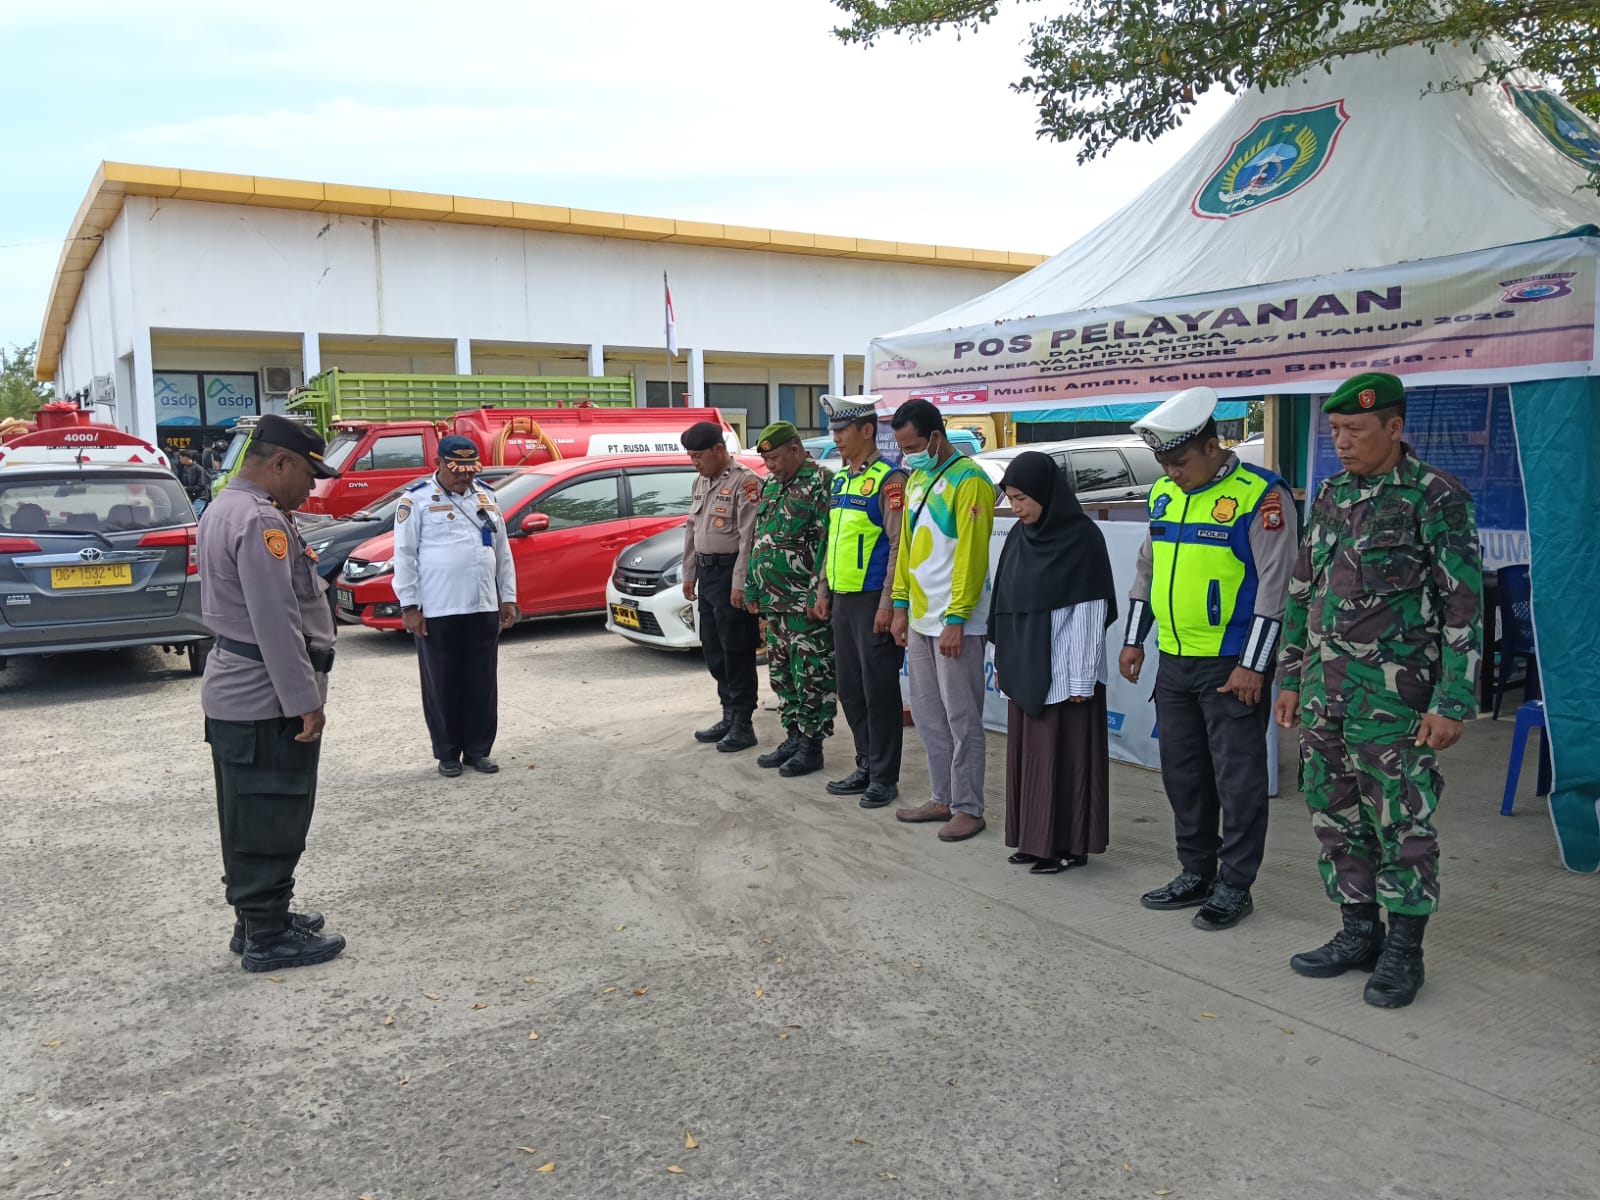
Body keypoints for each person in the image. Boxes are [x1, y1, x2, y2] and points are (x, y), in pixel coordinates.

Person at [1275, 372, 1481, 1009]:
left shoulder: (1434, 497)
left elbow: (1462, 606)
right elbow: (1302, 592)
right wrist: (1288, 675)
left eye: (1356, 431)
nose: (1342, 442)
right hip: (1323, 694)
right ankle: (1356, 933)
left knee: (1402, 824)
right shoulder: (1332, 494)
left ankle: (1403, 952)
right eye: (1335, 431)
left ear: (1394, 428)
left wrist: (1452, 701)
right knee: (1334, 816)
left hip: (1395, 700)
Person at [1118, 386, 1298, 930]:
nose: (1171, 472)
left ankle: (1235, 884)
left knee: (1238, 780)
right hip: (1174, 660)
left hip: (1231, 664)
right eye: (1163, 463)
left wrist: (1253, 665)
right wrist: (1133, 639)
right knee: (1183, 775)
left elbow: (1277, 586)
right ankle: (1194, 871)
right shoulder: (1164, 496)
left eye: (1179, 461)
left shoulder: (1260, 496)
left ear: (1212, 445)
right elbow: (1146, 571)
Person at [198, 413, 345, 973]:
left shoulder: (224, 506)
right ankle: (266, 934)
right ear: (279, 462)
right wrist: (304, 700)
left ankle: (259, 916)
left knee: (246, 810)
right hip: (265, 695)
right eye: (308, 474)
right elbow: (276, 619)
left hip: (240, 691)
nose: (312, 487)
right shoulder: (261, 523)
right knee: (271, 811)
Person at [991, 452, 1118, 873]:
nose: (1016, 508)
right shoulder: (1018, 538)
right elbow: (1003, 604)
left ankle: (1066, 846)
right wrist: (1003, 660)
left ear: (1047, 493)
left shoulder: (1082, 539)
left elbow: (1089, 611)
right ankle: (1033, 839)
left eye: (1023, 498)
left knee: (1064, 759)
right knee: (1030, 759)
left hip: (1066, 675)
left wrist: (1082, 679)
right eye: (1010, 499)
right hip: (1026, 668)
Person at [889, 398, 996, 843]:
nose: (907, 454)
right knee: (930, 715)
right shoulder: (917, 478)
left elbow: (972, 556)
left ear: (936, 436)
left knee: (961, 716)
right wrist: (899, 604)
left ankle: (969, 807)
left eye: (913, 444)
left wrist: (957, 617)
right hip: (919, 617)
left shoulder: (970, 481)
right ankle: (942, 797)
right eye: (901, 447)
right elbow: (908, 549)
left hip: (956, 621)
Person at [392, 436, 519, 777]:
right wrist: (410, 606)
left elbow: (502, 553)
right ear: (440, 464)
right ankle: (447, 752)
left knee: (482, 682)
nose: (464, 478)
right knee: (442, 683)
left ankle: (479, 751)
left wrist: (508, 597)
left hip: (482, 604)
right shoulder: (415, 500)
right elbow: (404, 556)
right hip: (438, 607)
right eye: (457, 471)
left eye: (469, 471)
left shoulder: (487, 497)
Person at [813, 398, 906, 808]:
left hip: (873, 600)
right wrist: (823, 588)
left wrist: (889, 603)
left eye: (841, 432)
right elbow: (832, 540)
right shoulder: (841, 480)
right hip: (843, 599)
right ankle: (866, 763)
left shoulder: (890, 480)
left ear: (867, 431)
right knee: (849, 689)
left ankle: (885, 777)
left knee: (878, 690)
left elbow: (898, 545)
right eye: (833, 431)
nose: (835, 440)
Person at [745, 420, 836, 777]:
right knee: (782, 674)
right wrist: (754, 586)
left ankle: (813, 745)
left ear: (796, 450)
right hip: (774, 602)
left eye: (777, 458)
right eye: (767, 461)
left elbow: (828, 543)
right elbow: (760, 538)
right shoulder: (771, 486)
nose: (772, 466)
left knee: (811, 673)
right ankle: (794, 735)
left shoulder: (821, 483)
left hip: (804, 603)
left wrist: (820, 591)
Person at [680, 420, 762, 753]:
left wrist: (740, 582)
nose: (694, 462)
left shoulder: (746, 483)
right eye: (691, 456)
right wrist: (689, 573)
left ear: (718, 450)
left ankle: (743, 722)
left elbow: (749, 538)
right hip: (707, 572)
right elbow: (691, 529)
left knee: (736, 650)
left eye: (698, 455)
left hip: (731, 574)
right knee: (713, 648)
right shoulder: (700, 482)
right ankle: (728, 713)